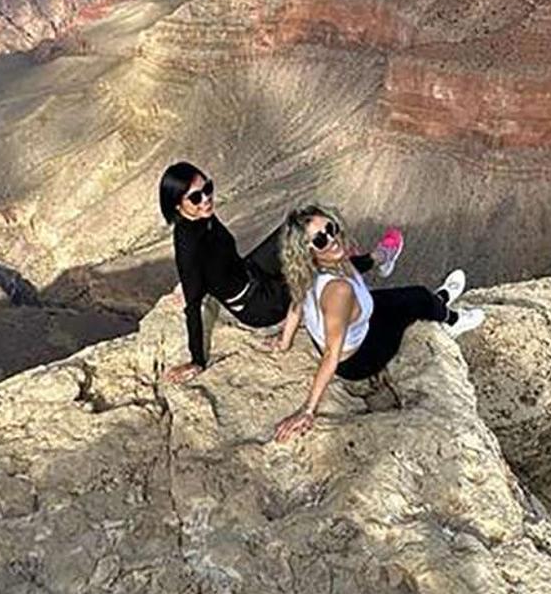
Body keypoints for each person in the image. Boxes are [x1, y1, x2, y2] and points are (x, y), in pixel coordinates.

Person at [159, 162, 403, 384]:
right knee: (310, 262)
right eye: (196, 197)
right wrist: (197, 361)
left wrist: (193, 282)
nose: (207, 199)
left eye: (208, 188)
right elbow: (192, 306)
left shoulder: (203, 217)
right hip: (256, 304)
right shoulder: (188, 246)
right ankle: (377, 258)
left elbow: (220, 261)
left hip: (252, 271)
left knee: (297, 228)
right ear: (178, 206)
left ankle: (347, 258)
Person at [271, 204, 483, 442]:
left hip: (356, 321)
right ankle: (451, 319)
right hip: (361, 358)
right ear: (307, 251)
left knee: (403, 295)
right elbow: (332, 352)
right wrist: (307, 410)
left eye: (331, 228)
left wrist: (284, 342)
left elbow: (296, 305)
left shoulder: (307, 271)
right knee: (417, 297)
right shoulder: (338, 292)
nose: (332, 239)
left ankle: (426, 291)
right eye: (320, 240)